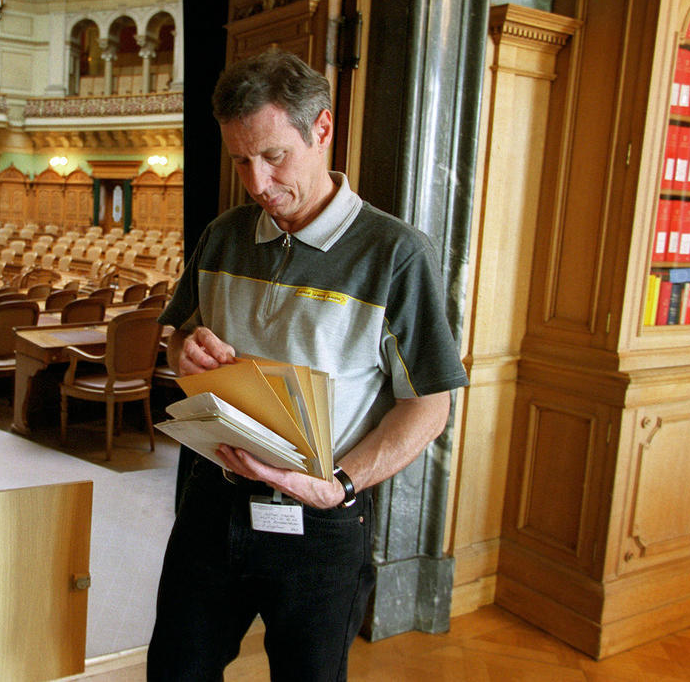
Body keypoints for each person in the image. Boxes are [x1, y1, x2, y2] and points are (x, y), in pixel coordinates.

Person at [147, 49, 469, 681]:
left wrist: (341, 485)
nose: (256, 184)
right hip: (211, 501)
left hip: (320, 519)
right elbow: (177, 336)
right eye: (241, 160)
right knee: (175, 672)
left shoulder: (396, 254)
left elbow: (431, 401)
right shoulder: (222, 235)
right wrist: (180, 351)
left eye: (273, 157)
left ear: (322, 130)